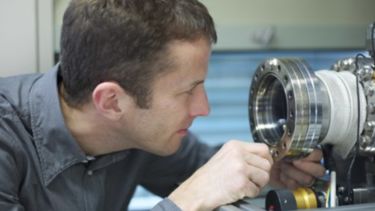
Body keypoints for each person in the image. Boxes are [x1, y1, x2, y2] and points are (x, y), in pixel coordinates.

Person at [0, 0, 325, 210]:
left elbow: (200, 166)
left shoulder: (139, 135)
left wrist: (269, 172)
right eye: (188, 91)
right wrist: (185, 202)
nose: (204, 108)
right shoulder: (7, 139)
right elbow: (197, 186)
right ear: (112, 102)